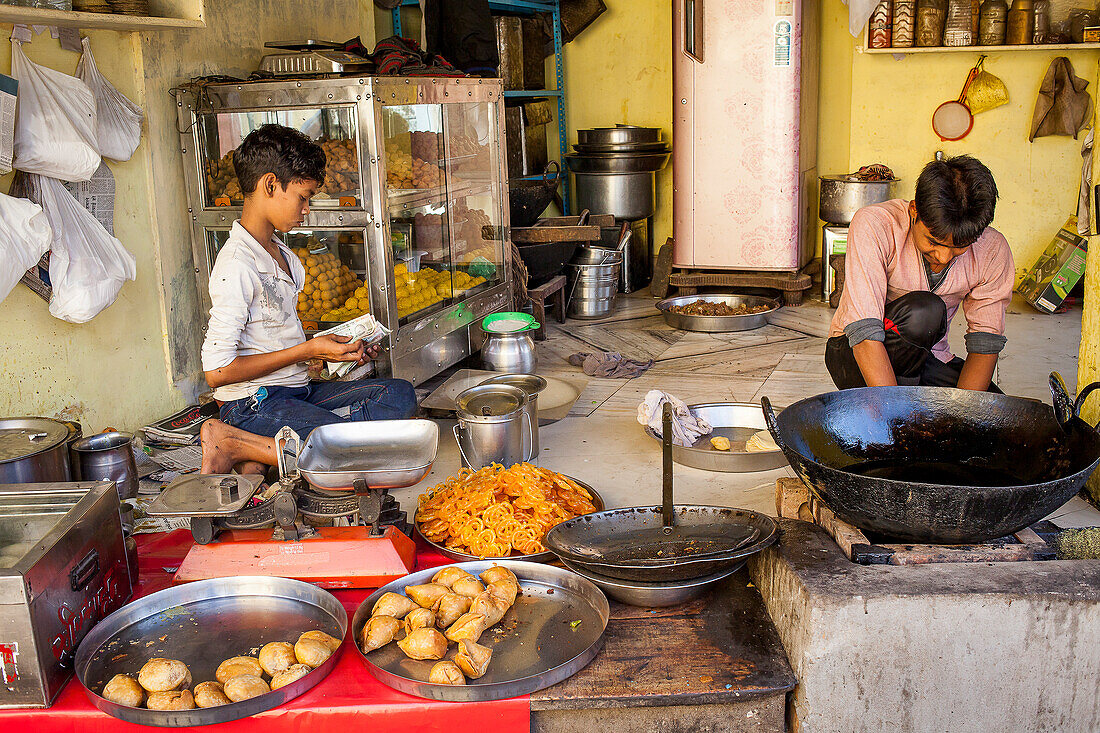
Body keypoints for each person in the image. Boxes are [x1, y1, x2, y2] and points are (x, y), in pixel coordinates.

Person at [199, 124, 416, 474]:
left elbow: (277, 339)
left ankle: (270, 451)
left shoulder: (284, 255)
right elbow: (217, 372)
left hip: (296, 392)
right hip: (252, 403)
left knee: (400, 396)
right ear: (270, 185)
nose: (307, 209)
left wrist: (336, 355)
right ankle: (230, 441)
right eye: (303, 197)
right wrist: (307, 351)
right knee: (346, 449)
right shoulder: (236, 265)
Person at [826, 155, 1014, 393]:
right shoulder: (875, 225)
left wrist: (966, 418)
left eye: (960, 246)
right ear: (914, 210)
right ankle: (895, 404)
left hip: (925, 359)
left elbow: (985, 343)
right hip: (855, 352)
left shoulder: (993, 250)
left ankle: (911, 401)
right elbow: (864, 333)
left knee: (993, 415)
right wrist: (893, 416)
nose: (944, 257)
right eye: (933, 241)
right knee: (925, 312)